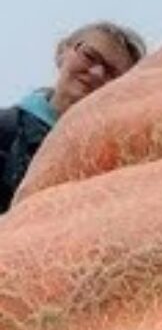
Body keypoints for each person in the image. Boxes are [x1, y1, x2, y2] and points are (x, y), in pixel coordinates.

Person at [1, 21, 146, 214]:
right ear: (62, 52)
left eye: (112, 73)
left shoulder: (115, 162)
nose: (97, 73)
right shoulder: (5, 129)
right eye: (90, 56)